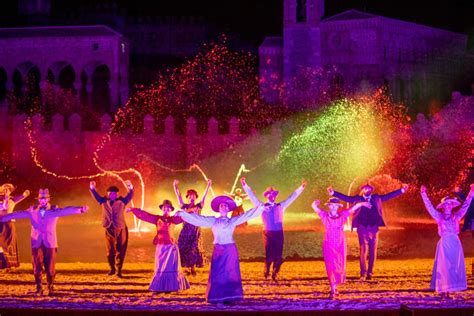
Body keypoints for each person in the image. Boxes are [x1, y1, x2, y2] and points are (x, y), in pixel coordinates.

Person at [177, 196, 267, 304]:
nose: (223, 206)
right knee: (217, 273)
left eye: (225, 205)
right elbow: (199, 219)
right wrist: (183, 214)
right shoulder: (213, 220)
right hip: (218, 250)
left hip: (230, 250)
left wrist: (260, 208)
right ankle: (216, 297)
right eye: (221, 205)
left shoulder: (233, 220)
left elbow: (246, 215)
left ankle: (232, 296)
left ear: (228, 209)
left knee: (230, 273)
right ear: (218, 209)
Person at [0, 188, 88, 295]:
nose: (42, 200)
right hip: (36, 242)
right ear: (38, 199)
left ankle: (50, 286)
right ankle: (39, 287)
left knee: (50, 267)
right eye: (41, 198)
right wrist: (3, 218)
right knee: (36, 266)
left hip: (50, 242)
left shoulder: (54, 210)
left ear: (48, 199)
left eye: (44, 198)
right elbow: (18, 214)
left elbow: (66, 210)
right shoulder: (32, 211)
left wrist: (80, 209)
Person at [327, 183, 408, 280]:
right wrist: (333, 193)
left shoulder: (376, 198)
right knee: (363, 251)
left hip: (374, 229)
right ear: (362, 190)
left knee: (373, 251)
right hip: (362, 229)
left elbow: (388, 196)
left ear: (371, 190)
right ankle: (363, 273)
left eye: (368, 188)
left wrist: (401, 190)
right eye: (365, 188)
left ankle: (370, 273)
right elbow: (346, 198)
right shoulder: (358, 199)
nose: (367, 189)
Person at [241, 177, 306, 280]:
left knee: (278, 254)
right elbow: (252, 197)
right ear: (266, 196)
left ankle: (275, 272)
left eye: (274, 194)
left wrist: (301, 188)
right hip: (267, 233)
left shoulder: (281, 205)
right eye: (270, 194)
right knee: (269, 253)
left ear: (275, 196)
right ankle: (266, 270)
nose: (272, 196)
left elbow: (292, 197)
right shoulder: (261, 206)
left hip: (279, 233)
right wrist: (245, 185)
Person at [420, 184, 473, 297]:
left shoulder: (457, 216)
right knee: (444, 266)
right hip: (444, 244)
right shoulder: (439, 217)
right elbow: (429, 207)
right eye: (446, 204)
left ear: (452, 206)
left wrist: (471, 192)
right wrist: (424, 194)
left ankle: (449, 289)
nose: (448, 205)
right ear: (443, 206)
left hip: (455, 243)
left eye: (450, 203)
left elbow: (466, 206)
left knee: (453, 266)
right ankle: (444, 289)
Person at [312, 198, 371, 298]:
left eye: (336, 205)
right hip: (328, 243)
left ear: (338, 207)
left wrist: (361, 204)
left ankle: (335, 285)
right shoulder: (325, 215)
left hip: (340, 243)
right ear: (329, 206)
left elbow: (352, 209)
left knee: (340, 263)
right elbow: (315, 208)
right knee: (330, 265)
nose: (334, 207)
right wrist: (314, 204)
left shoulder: (343, 215)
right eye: (332, 205)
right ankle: (333, 289)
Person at [128, 199, 190, 294]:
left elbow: (186, 217)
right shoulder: (157, 219)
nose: (166, 209)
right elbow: (145, 216)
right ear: (162, 209)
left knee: (170, 268)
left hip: (171, 247)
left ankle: (170, 287)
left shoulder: (174, 219)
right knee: (160, 267)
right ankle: (159, 287)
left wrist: (189, 211)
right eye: (165, 208)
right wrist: (134, 210)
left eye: (168, 208)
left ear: (171, 210)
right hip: (161, 247)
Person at [89, 180, 133, 278]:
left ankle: (119, 270)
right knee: (110, 250)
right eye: (110, 193)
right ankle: (112, 269)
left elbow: (130, 196)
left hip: (121, 228)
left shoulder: (122, 201)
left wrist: (130, 187)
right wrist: (92, 188)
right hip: (109, 228)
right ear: (108, 194)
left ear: (117, 194)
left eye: (114, 193)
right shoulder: (103, 201)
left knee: (121, 250)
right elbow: (96, 196)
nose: (112, 195)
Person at [173, 179, 211, 276]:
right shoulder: (184, 207)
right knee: (184, 248)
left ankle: (193, 268)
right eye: (190, 196)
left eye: (193, 196)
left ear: (195, 197)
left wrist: (208, 186)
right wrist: (175, 186)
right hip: (186, 230)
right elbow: (179, 196)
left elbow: (204, 197)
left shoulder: (198, 206)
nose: (192, 197)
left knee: (194, 249)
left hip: (195, 231)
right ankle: (186, 268)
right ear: (188, 197)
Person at [0, 183, 30, 269]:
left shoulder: (12, 200)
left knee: (8, 244)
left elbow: (24, 195)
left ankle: (9, 263)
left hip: (8, 224)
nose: (5, 190)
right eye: (4, 189)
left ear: (10, 191)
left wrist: (26, 193)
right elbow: (4, 206)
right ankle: (3, 261)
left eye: (8, 189)